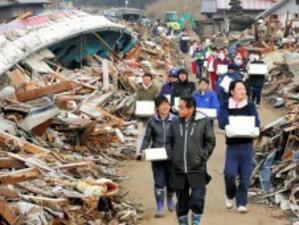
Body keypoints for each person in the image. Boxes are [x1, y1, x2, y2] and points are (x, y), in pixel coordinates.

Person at [166, 96, 216, 225]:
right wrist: (172, 156)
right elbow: (169, 141)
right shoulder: (175, 122)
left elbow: (210, 141)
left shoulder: (203, 121)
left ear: (191, 108)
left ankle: (196, 221)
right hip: (179, 168)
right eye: (178, 107)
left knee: (197, 199)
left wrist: (203, 156)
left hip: (197, 168)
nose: (179, 109)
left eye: (182, 107)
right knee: (181, 201)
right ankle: (183, 222)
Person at [218, 80, 260, 214]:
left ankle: (241, 202)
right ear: (232, 91)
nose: (243, 91)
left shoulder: (250, 106)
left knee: (245, 175)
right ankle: (230, 194)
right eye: (239, 89)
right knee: (230, 174)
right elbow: (222, 118)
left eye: (244, 89)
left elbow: (256, 119)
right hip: (233, 146)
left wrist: (256, 128)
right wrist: (227, 126)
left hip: (247, 145)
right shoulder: (226, 105)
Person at [138, 96, 176, 218]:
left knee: (172, 182)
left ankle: (170, 198)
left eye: (167, 104)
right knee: (159, 181)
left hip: (172, 157)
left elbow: (180, 138)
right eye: (162, 105)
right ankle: (160, 205)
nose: (165, 107)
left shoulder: (175, 120)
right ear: (157, 108)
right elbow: (147, 137)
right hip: (157, 156)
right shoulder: (152, 121)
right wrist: (143, 149)